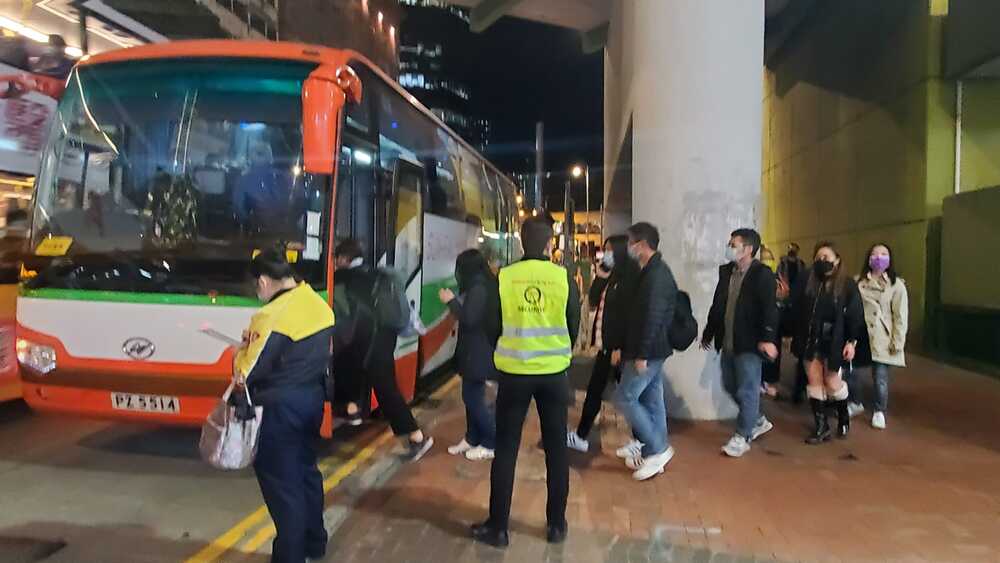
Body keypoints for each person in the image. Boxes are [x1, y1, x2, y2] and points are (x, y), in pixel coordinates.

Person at [471, 217, 579, 549]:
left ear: (521, 242)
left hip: (515, 375)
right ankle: (556, 525)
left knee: (505, 450)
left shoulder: (504, 277)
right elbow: (573, 324)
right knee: (557, 451)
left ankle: (499, 527)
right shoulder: (563, 278)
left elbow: (492, 326)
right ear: (550, 245)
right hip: (553, 375)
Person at [234, 249, 334, 563]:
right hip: (310, 401)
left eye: (256, 286)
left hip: (279, 410)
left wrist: (242, 350)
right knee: (306, 474)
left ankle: (289, 556)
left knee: (283, 487)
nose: (257, 292)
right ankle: (315, 544)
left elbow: (247, 373)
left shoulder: (271, 315)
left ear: (264, 280)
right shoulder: (317, 302)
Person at [331, 239, 434, 461]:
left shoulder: (341, 279)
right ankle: (352, 410)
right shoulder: (378, 274)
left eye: (336, 259)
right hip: (385, 338)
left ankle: (417, 437)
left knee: (386, 390)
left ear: (342, 259)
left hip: (366, 340)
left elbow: (340, 312)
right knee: (374, 380)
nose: (334, 263)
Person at [701, 229, 779, 458]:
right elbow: (719, 304)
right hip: (728, 340)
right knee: (729, 384)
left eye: (734, 244)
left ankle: (742, 436)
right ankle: (757, 419)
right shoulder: (727, 272)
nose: (729, 247)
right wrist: (709, 332)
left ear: (748, 249)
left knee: (747, 390)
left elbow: (770, 309)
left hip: (750, 343)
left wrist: (768, 338)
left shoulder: (762, 275)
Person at [613, 222, 678, 480]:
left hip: (648, 350)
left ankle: (659, 448)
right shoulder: (649, 271)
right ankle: (654, 451)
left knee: (625, 397)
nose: (629, 247)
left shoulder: (657, 275)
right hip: (650, 349)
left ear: (642, 244)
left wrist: (642, 354)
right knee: (652, 400)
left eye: (631, 242)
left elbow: (653, 317)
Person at [783, 241, 864, 444]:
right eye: (818, 257)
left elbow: (855, 315)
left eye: (826, 257)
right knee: (814, 381)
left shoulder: (847, 284)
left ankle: (843, 416)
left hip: (834, 341)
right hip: (809, 339)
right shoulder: (806, 280)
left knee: (832, 381)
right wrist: (789, 333)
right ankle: (821, 427)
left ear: (837, 260)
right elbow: (795, 308)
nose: (822, 261)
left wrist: (851, 342)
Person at [566, 235, 637, 453]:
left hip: (616, 348)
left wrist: (618, 347)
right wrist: (601, 274)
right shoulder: (613, 275)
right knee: (597, 390)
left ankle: (646, 442)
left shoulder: (629, 278)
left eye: (609, 251)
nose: (605, 254)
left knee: (631, 396)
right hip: (607, 346)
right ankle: (581, 435)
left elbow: (627, 316)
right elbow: (594, 299)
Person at [440, 249, 499, 461]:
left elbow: (469, 318)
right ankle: (472, 437)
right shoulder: (482, 283)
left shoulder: (479, 288)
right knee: (471, 396)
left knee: (472, 398)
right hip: (474, 351)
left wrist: (450, 301)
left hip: (479, 352)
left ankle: (492, 442)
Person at [851, 243, 908, 430]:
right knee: (853, 373)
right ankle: (855, 402)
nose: (879, 258)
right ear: (868, 259)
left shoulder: (896, 285)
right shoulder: (858, 282)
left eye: (884, 254)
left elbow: (900, 316)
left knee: (880, 378)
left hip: (882, 337)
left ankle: (879, 411)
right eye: (875, 254)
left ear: (890, 259)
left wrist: (898, 341)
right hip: (860, 334)